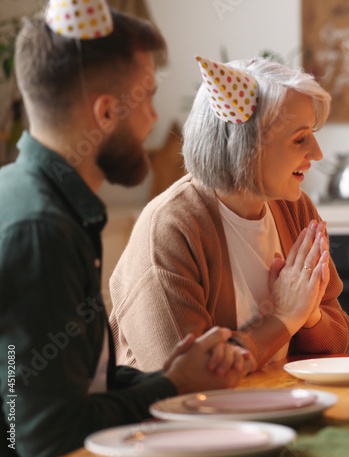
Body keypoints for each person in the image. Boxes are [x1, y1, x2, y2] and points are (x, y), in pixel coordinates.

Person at [0, 5, 250, 456]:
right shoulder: (41, 231)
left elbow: (80, 386)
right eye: (147, 97)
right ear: (106, 112)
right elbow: (39, 435)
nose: (154, 117)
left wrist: (167, 378)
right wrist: (171, 386)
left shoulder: (47, 204)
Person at [109, 56, 349, 372]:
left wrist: (309, 315)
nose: (317, 153)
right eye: (299, 138)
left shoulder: (295, 208)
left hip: (272, 410)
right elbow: (188, 378)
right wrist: (283, 319)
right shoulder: (170, 229)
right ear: (247, 147)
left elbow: (338, 342)